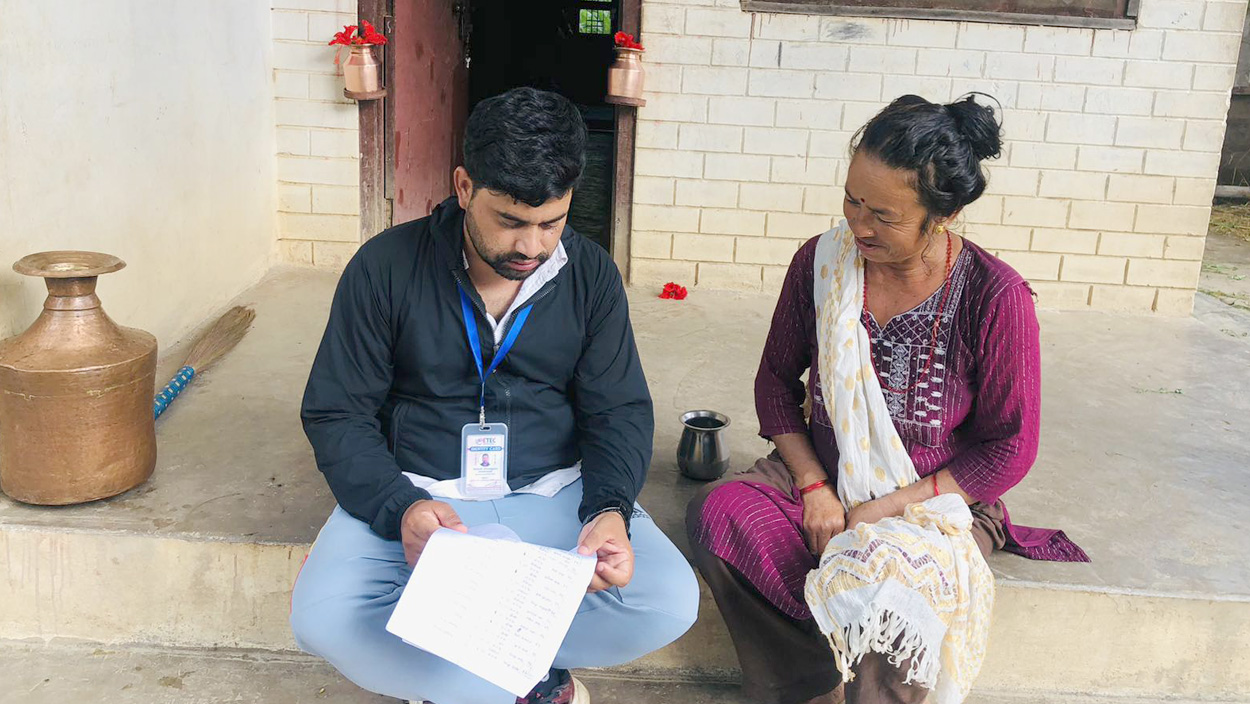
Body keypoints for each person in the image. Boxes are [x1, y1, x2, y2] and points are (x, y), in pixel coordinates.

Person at [292, 87, 698, 704]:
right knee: (322, 619)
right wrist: (400, 507)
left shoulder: (589, 274)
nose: (531, 247)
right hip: (424, 502)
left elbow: (617, 409)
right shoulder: (385, 267)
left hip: (551, 492)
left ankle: (477, 674)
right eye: (510, 221)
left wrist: (608, 508)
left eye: (551, 223)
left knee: (667, 600)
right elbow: (337, 411)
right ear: (464, 188)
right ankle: (524, 678)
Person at [686, 94, 1089, 704]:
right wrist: (814, 486)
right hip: (823, 472)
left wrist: (888, 508)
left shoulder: (994, 297)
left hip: (935, 502)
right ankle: (806, 683)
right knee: (721, 515)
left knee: (888, 593)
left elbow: (1010, 447)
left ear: (943, 216)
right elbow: (775, 383)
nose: (859, 225)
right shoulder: (821, 263)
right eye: (852, 200)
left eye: (884, 215)